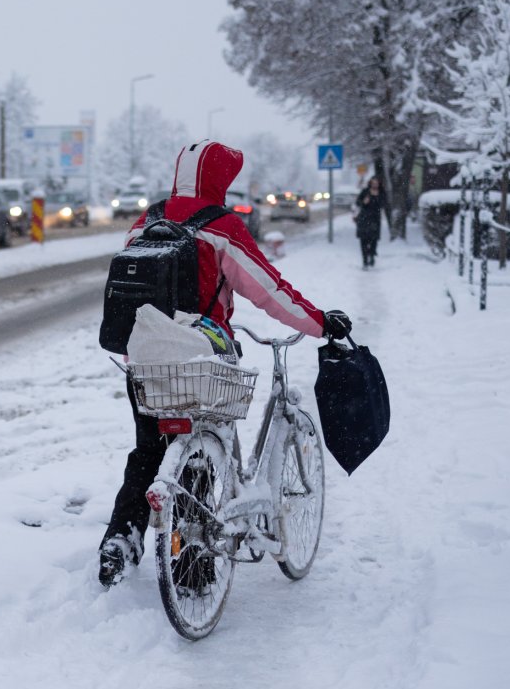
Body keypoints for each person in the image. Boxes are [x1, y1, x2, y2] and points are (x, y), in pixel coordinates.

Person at [98, 139, 351, 588]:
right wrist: (318, 323)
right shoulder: (222, 225)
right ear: (221, 180)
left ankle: (121, 541)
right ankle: (192, 568)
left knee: (147, 452)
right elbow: (269, 291)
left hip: (145, 356)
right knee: (201, 456)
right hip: (199, 356)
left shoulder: (147, 219)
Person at [354, 177, 386, 268]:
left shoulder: (381, 193)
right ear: (370, 183)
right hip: (364, 219)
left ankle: (371, 255)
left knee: (373, 241)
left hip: (375, 220)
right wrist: (364, 202)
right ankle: (364, 261)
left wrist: (378, 200)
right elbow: (358, 202)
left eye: (376, 183)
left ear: (379, 184)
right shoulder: (365, 192)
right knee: (363, 241)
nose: (375, 184)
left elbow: (384, 204)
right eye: (373, 183)